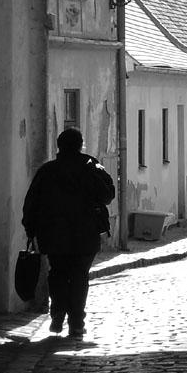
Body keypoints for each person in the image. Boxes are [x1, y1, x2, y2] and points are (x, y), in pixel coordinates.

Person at [22, 127, 115, 337]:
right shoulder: (90, 168)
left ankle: (57, 315)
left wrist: (30, 228)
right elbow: (108, 195)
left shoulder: (47, 171)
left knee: (58, 273)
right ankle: (76, 322)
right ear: (80, 144)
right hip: (85, 233)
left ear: (59, 146)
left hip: (54, 234)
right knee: (79, 276)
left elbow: (32, 202)